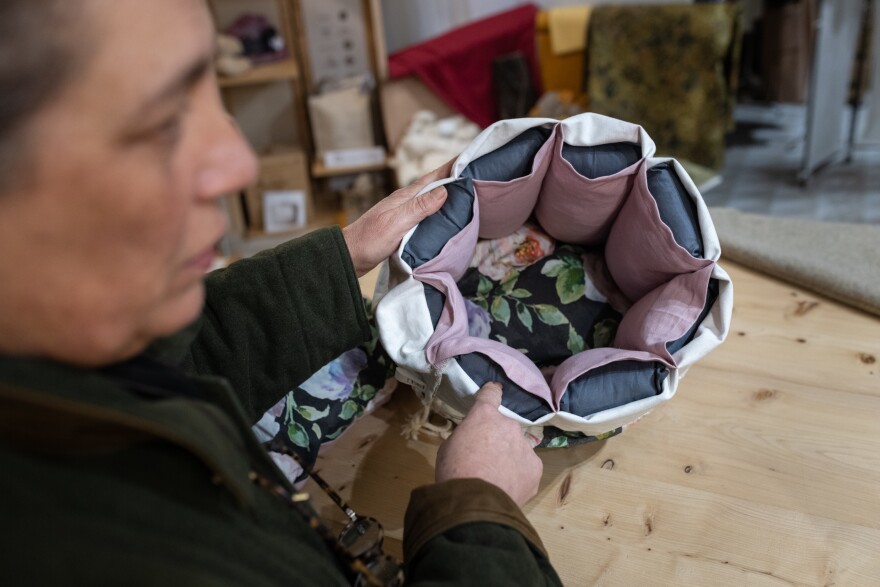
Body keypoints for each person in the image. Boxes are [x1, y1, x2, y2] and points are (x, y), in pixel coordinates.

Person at [0, 1, 560, 585]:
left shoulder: (69, 360)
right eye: (163, 122)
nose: (241, 164)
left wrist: (337, 259)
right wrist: (480, 515)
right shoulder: (75, 549)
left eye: (212, 91)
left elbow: (181, 357)